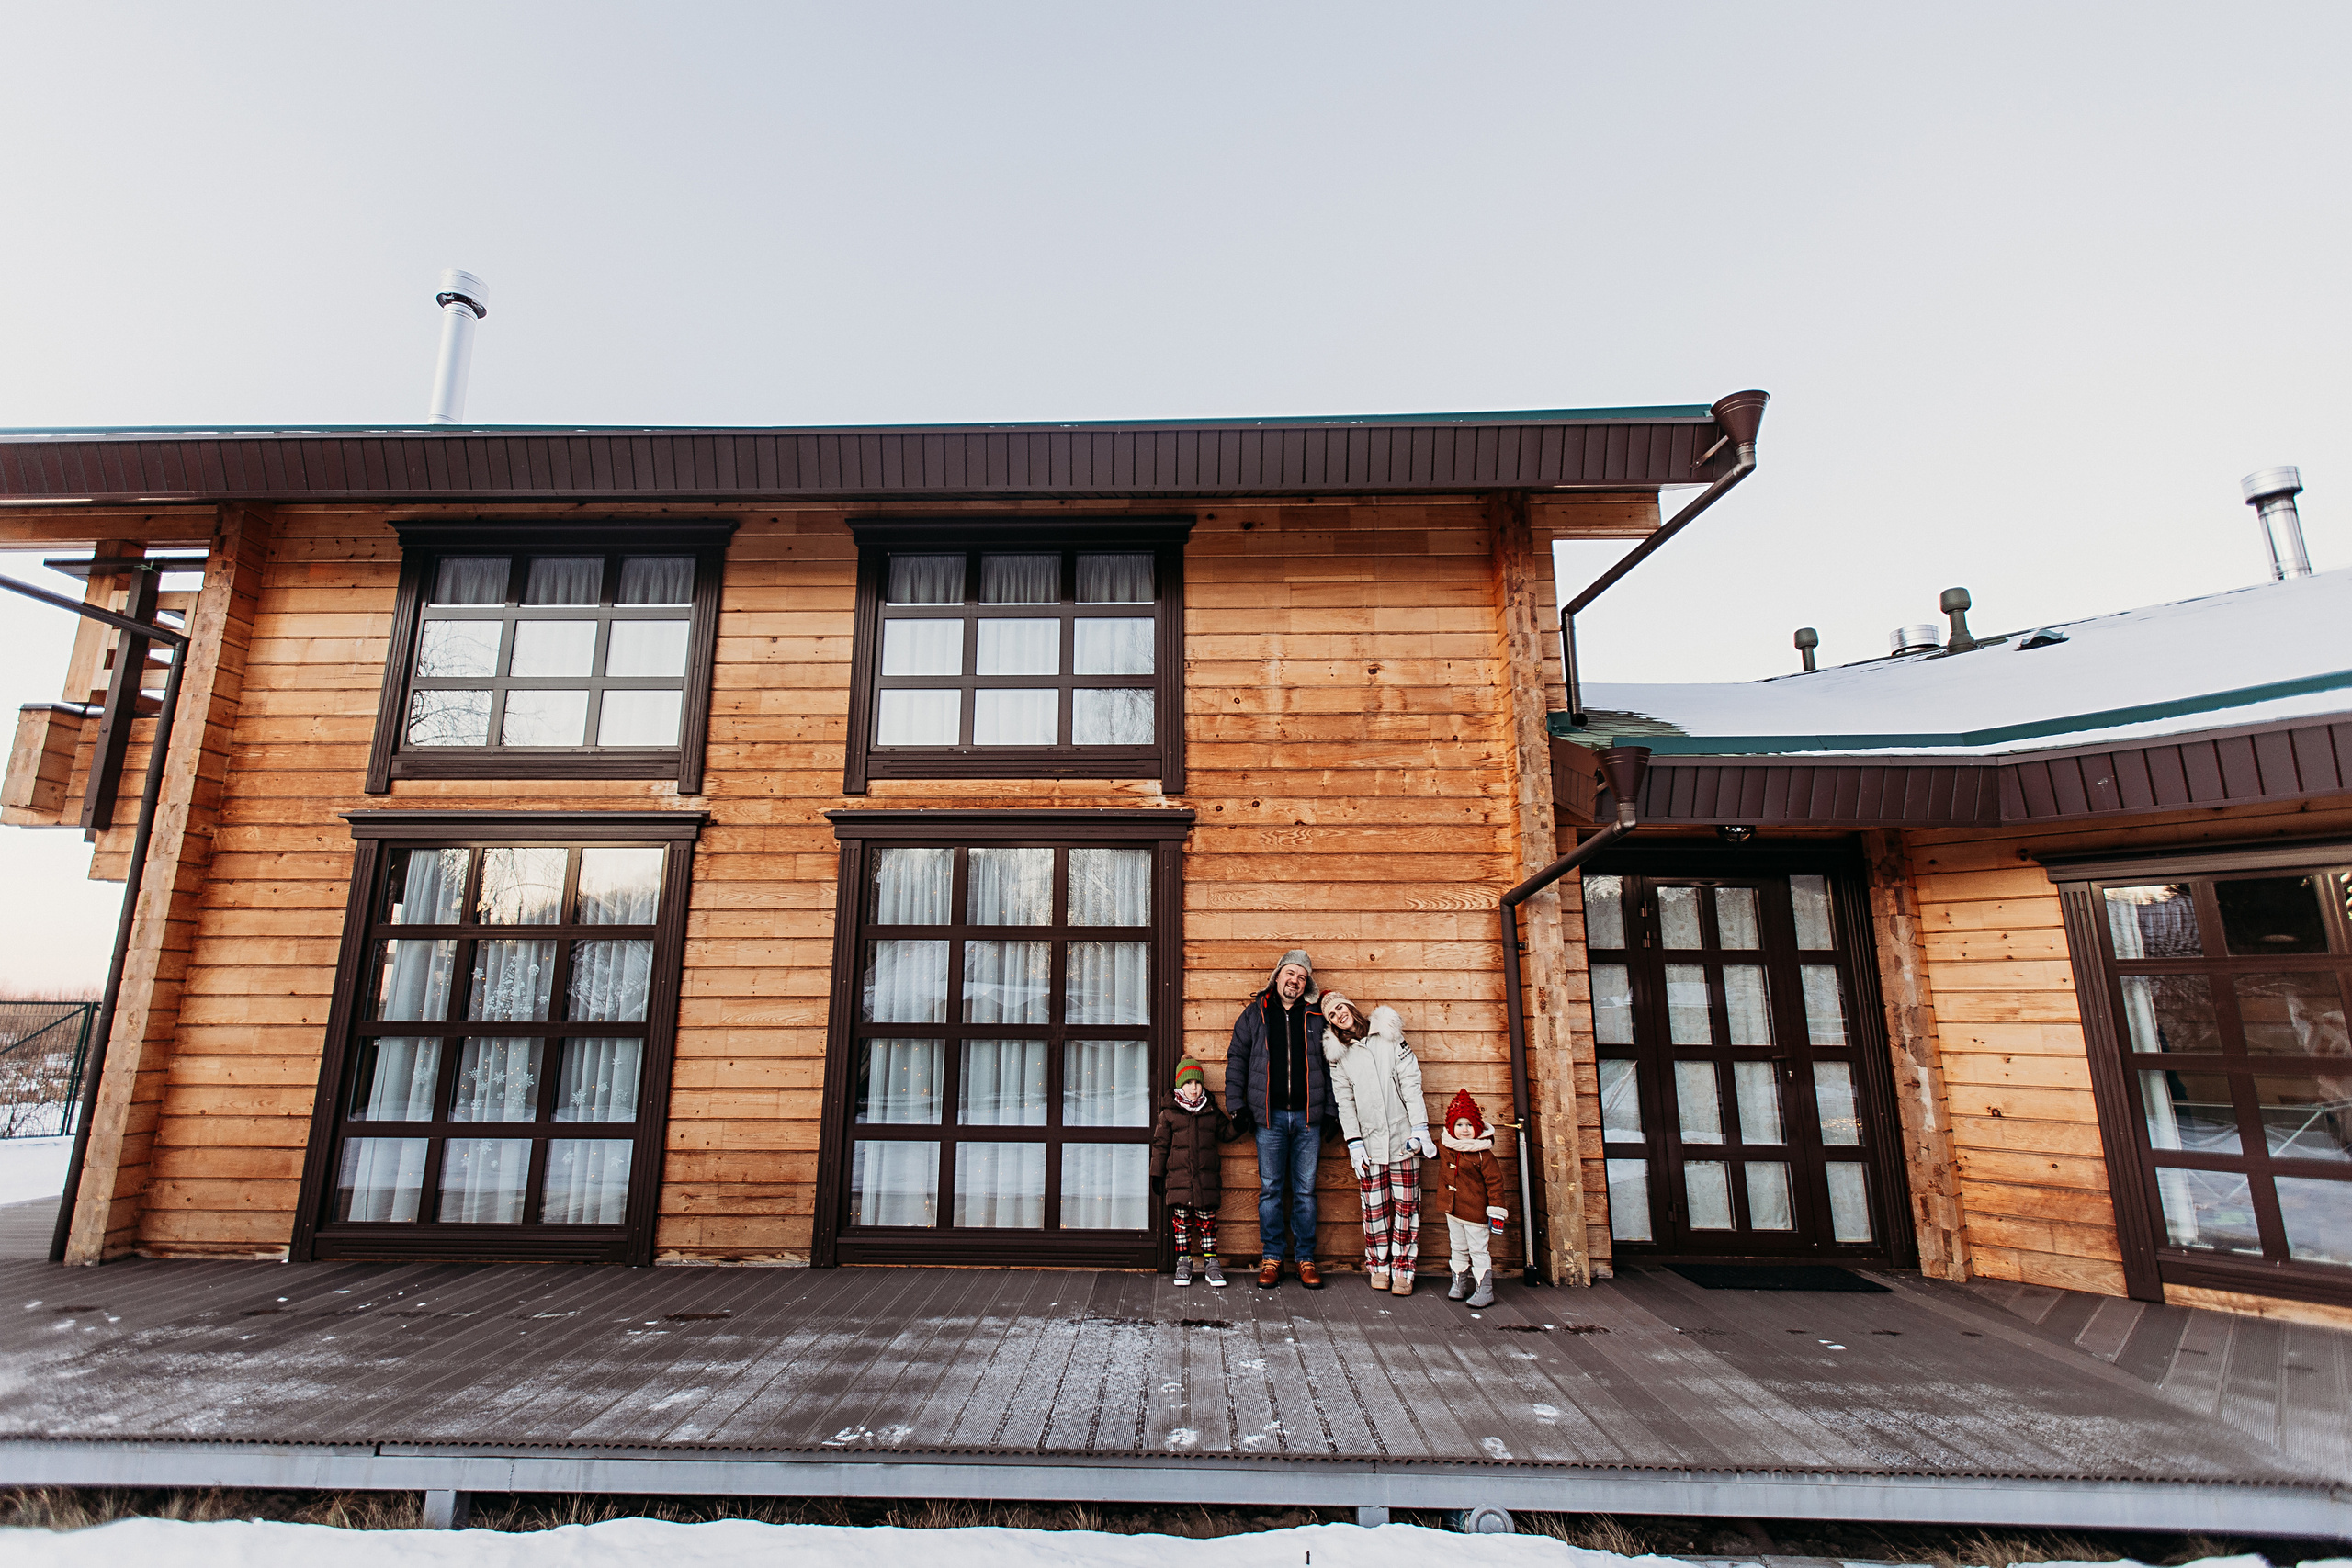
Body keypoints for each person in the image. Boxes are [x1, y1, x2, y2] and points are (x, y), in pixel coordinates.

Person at [1223, 948, 1332, 1289]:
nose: (1295, 982)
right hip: (1268, 1119)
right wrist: (1237, 1107)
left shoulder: (1316, 1016)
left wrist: (1331, 1111)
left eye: (1302, 978)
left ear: (1306, 983)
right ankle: (1272, 1257)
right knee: (1270, 1190)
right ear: (1278, 975)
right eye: (1291, 974)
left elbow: (1333, 1067)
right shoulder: (1256, 1013)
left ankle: (1305, 1259)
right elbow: (1237, 1059)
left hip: (1308, 1120)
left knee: (1305, 1193)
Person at [1322, 993, 1435, 1296]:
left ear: (1350, 1008)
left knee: (1406, 1207)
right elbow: (1344, 1102)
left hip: (1402, 1139)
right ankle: (1379, 1266)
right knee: (1374, 1210)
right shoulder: (1340, 1056)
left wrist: (1419, 1128)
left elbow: (1411, 1081)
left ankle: (1403, 1270)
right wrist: (1354, 1142)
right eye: (1331, 1015)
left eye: (1340, 1008)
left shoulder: (1388, 1036)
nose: (1338, 1016)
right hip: (1369, 1144)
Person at [1150, 1055, 1237, 1287]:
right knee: (1182, 1223)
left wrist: (1238, 1125)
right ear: (1181, 1085)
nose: (1194, 1087)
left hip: (1206, 1180)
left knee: (1207, 1221)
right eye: (1188, 1083)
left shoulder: (1210, 1110)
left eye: (1197, 1083)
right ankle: (1183, 1261)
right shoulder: (1169, 1113)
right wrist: (1156, 1173)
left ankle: (1211, 1263)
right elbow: (1160, 1145)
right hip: (1179, 1180)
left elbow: (1225, 1133)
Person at [1438, 1088, 1509, 1308]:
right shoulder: (1447, 1146)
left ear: (1477, 1127)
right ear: (1452, 1127)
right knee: (1457, 1247)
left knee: (1478, 1250)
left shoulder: (1482, 1154)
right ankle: (1459, 1283)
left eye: (1469, 1125)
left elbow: (1495, 1184)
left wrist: (1496, 1211)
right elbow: (1429, 1148)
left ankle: (1484, 1289)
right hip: (1453, 1210)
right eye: (1459, 1125)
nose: (1464, 1130)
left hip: (1476, 1214)